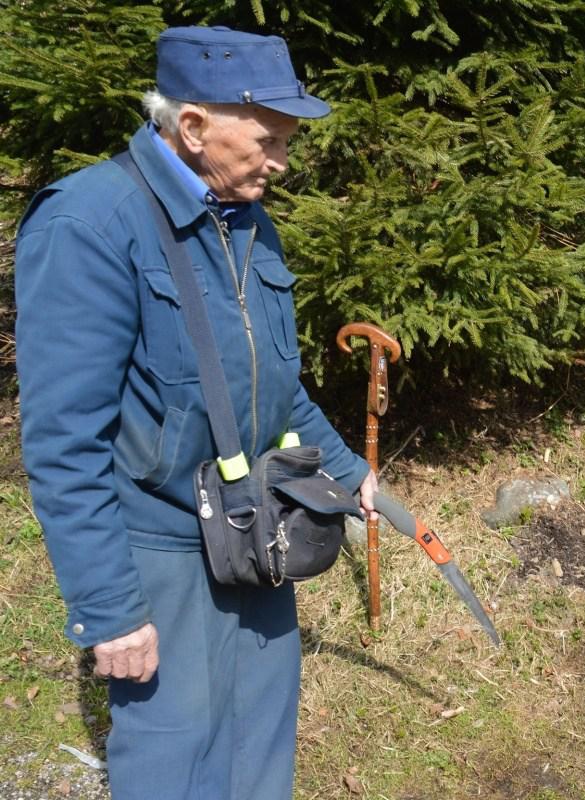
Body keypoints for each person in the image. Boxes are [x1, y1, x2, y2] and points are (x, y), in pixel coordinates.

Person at [14, 26, 375, 799]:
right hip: (161, 549)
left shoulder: (248, 221)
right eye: (270, 140)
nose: (283, 160)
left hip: (257, 533)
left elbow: (276, 382)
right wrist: (110, 609)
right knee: (176, 759)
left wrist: (350, 475)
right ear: (193, 127)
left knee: (260, 747)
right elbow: (62, 441)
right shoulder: (90, 222)